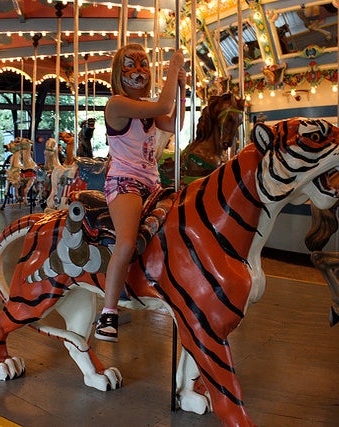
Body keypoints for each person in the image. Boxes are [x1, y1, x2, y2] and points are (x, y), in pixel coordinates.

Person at [94, 43, 187, 342]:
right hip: (125, 182)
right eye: (130, 64)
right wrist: (173, 67)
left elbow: (172, 123)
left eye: (144, 64)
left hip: (152, 181)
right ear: (118, 72)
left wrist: (182, 89)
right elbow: (163, 106)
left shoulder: (147, 107)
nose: (138, 71)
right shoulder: (117, 104)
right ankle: (108, 312)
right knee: (126, 242)